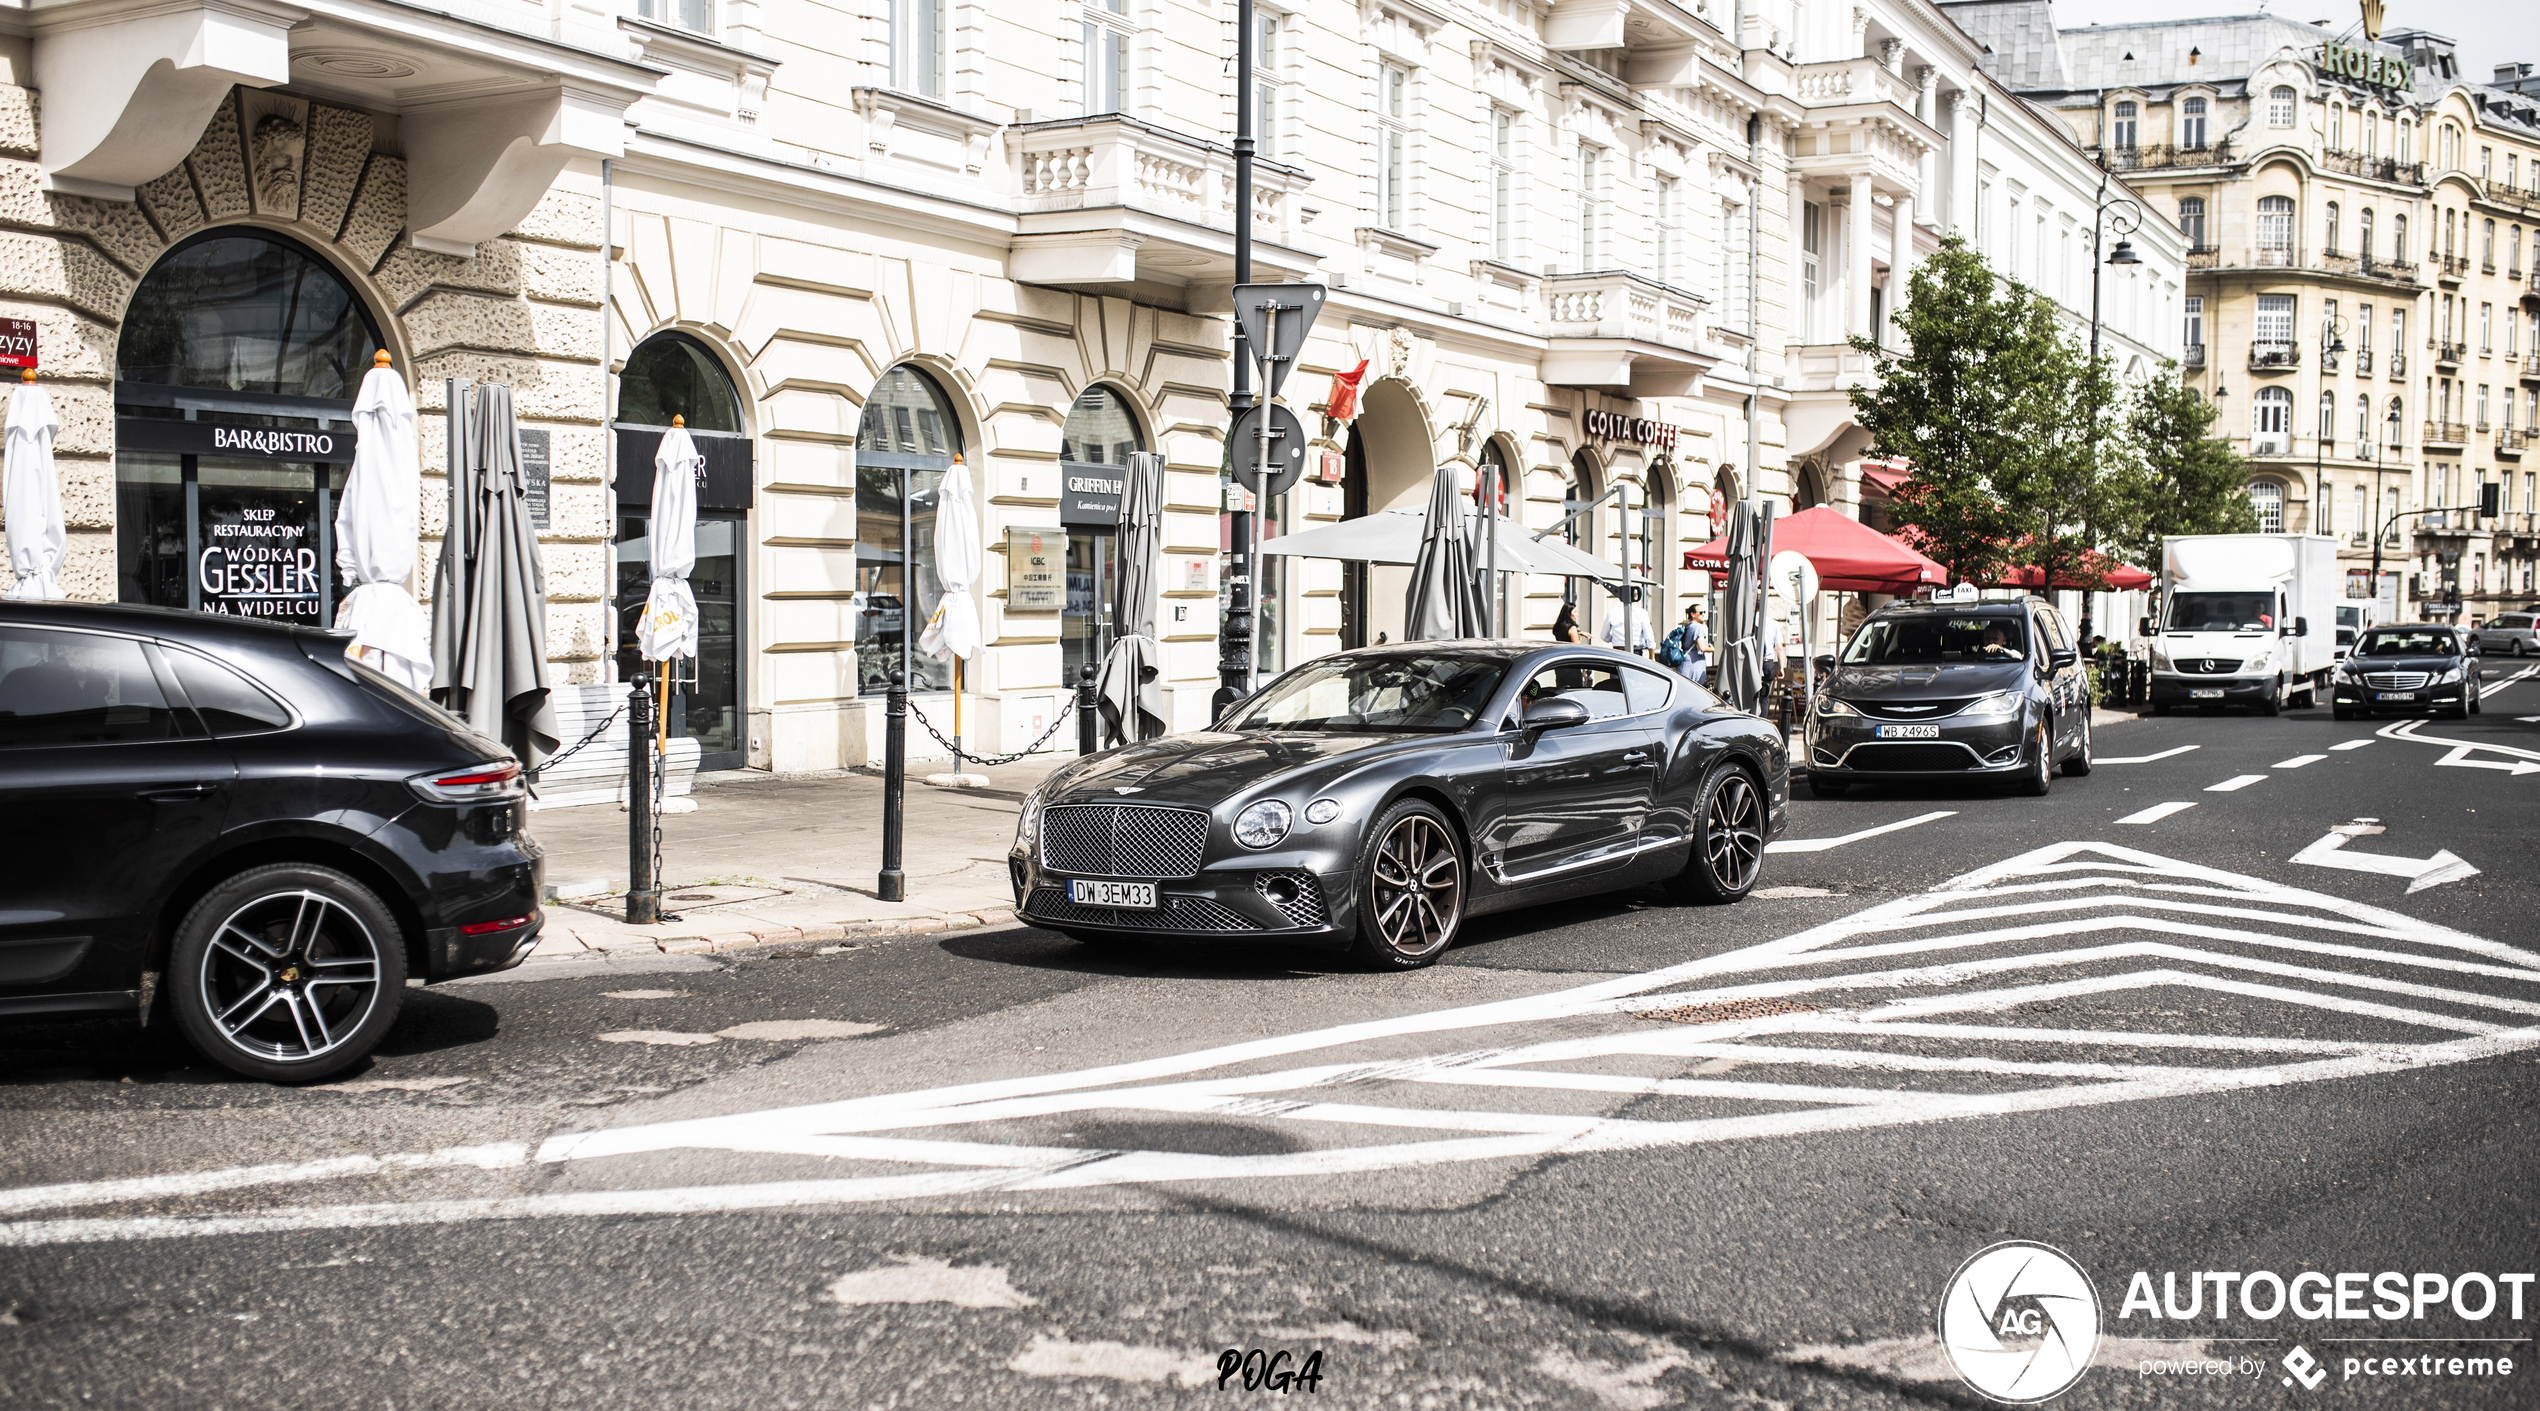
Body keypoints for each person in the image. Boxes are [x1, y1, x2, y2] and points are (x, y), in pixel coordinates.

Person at [1660, 602, 1710, 684]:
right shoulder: (1698, 627)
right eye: (1701, 613)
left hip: (1684, 662)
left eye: (1704, 612)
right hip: (1694, 663)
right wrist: (1711, 648)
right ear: (1693, 614)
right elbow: (1702, 647)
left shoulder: (1687, 625)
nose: (1703, 614)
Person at [1599, 588, 1656, 657]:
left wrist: (1616, 639)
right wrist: (1652, 656)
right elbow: (1649, 636)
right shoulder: (1642, 613)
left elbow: (1604, 636)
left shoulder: (1612, 612)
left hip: (1618, 651)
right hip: (1636, 652)